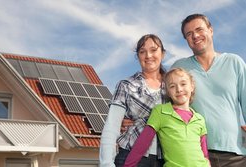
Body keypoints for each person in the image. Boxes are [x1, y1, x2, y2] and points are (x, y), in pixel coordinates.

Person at [171, 13, 246, 167]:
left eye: (199, 29)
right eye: (189, 34)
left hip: (235, 155)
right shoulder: (179, 67)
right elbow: (162, 103)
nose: (195, 36)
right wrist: (130, 121)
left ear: (211, 30)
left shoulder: (234, 62)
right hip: (195, 153)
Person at [99, 34, 167, 167]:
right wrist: (106, 163)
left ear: (162, 54)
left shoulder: (173, 86)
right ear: (138, 57)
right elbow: (111, 127)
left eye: (153, 50)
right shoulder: (125, 85)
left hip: (166, 159)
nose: (148, 55)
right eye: (142, 52)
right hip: (131, 156)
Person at [124, 67, 210, 167]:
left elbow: (205, 154)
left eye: (183, 84)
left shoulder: (200, 119)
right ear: (168, 92)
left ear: (192, 86)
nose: (179, 89)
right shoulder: (160, 111)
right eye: (172, 86)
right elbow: (143, 143)